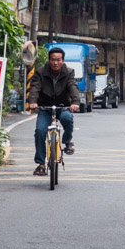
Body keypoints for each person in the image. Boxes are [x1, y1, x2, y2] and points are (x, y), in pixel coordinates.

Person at [28, 48, 80, 176]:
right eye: (53, 60)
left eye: (58, 60)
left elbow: (72, 87)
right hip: (45, 107)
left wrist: (75, 102)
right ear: (49, 60)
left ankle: (67, 141)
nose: (55, 63)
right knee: (40, 131)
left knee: (67, 118)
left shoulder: (69, 72)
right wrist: (33, 101)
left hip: (62, 106)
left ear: (62, 60)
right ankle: (41, 164)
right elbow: (35, 87)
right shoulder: (40, 72)